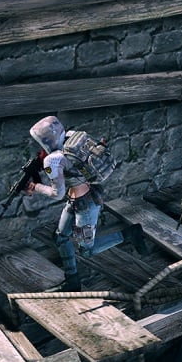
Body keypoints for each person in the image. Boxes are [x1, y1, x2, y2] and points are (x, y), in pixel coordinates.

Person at [24, 114, 125, 292]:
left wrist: (36, 186)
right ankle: (72, 282)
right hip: (77, 199)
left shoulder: (52, 160)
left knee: (86, 250)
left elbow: (57, 193)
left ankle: (129, 234)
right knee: (61, 237)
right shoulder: (74, 136)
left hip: (85, 206)